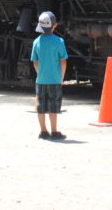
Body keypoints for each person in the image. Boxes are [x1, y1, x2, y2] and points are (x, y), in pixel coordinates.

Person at [31, 10, 67, 140]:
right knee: (54, 107)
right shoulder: (59, 41)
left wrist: (39, 74)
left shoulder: (36, 42)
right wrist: (61, 78)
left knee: (40, 107)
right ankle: (54, 131)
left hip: (41, 80)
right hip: (55, 80)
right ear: (55, 25)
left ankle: (43, 131)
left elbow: (35, 62)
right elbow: (63, 61)